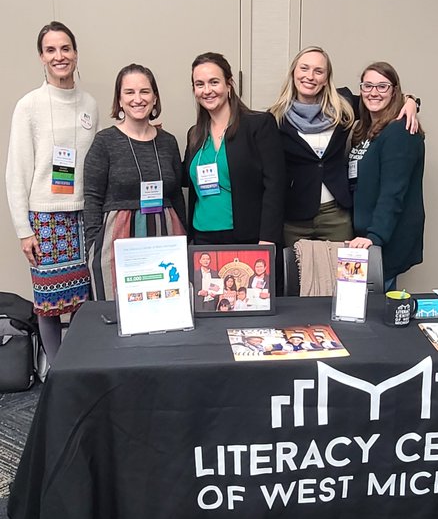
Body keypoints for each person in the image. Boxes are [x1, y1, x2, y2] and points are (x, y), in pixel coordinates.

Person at [6, 21, 99, 364]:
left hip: (84, 214)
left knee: (81, 297)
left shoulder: (89, 103)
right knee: (48, 299)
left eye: (65, 48)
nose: (59, 56)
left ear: (75, 53)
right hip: (45, 217)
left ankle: (75, 363)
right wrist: (23, 230)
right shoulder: (28, 105)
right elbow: (16, 170)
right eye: (51, 50)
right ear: (41, 57)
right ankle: (58, 370)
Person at [270, 47, 419, 247]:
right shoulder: (275, 118)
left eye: (318, 71)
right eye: (304, 68)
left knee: (344, 276)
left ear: (326, 77)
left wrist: (410, 102)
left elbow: (381, 98)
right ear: (293, 72)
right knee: (295, 277)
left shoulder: (343, 105)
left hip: (337, 215)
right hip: (294, 217)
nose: (310, 76)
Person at [84, 65, 186, 300]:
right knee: (118, 314)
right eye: (129, 92)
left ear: (155, 97)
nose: (137, 99)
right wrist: (93, 246)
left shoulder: (168, 142)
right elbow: (92, 198)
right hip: (118, 240)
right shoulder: (104, 142)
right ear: (119, 100)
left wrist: (184, 236)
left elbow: (177, 195)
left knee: (164, 308)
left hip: (166, 238)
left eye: (145, 92)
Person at [185, 53, 285, 245]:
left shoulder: (258, 125)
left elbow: (275, 186)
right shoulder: (195, 134)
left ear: (229, 85)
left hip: (248, 237)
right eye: (200, 84)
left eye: (214, 82)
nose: (207, 90)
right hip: (202, 237)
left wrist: (268, 238)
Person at [348, 62, 425, 290]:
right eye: (368, 86)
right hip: (366, 235)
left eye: (382, 86)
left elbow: (394, 191)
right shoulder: (366, 129)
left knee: (374, 310)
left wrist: (375, 236)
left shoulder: (400, 131)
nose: (374, 92)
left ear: (394, 91)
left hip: (383, 239)